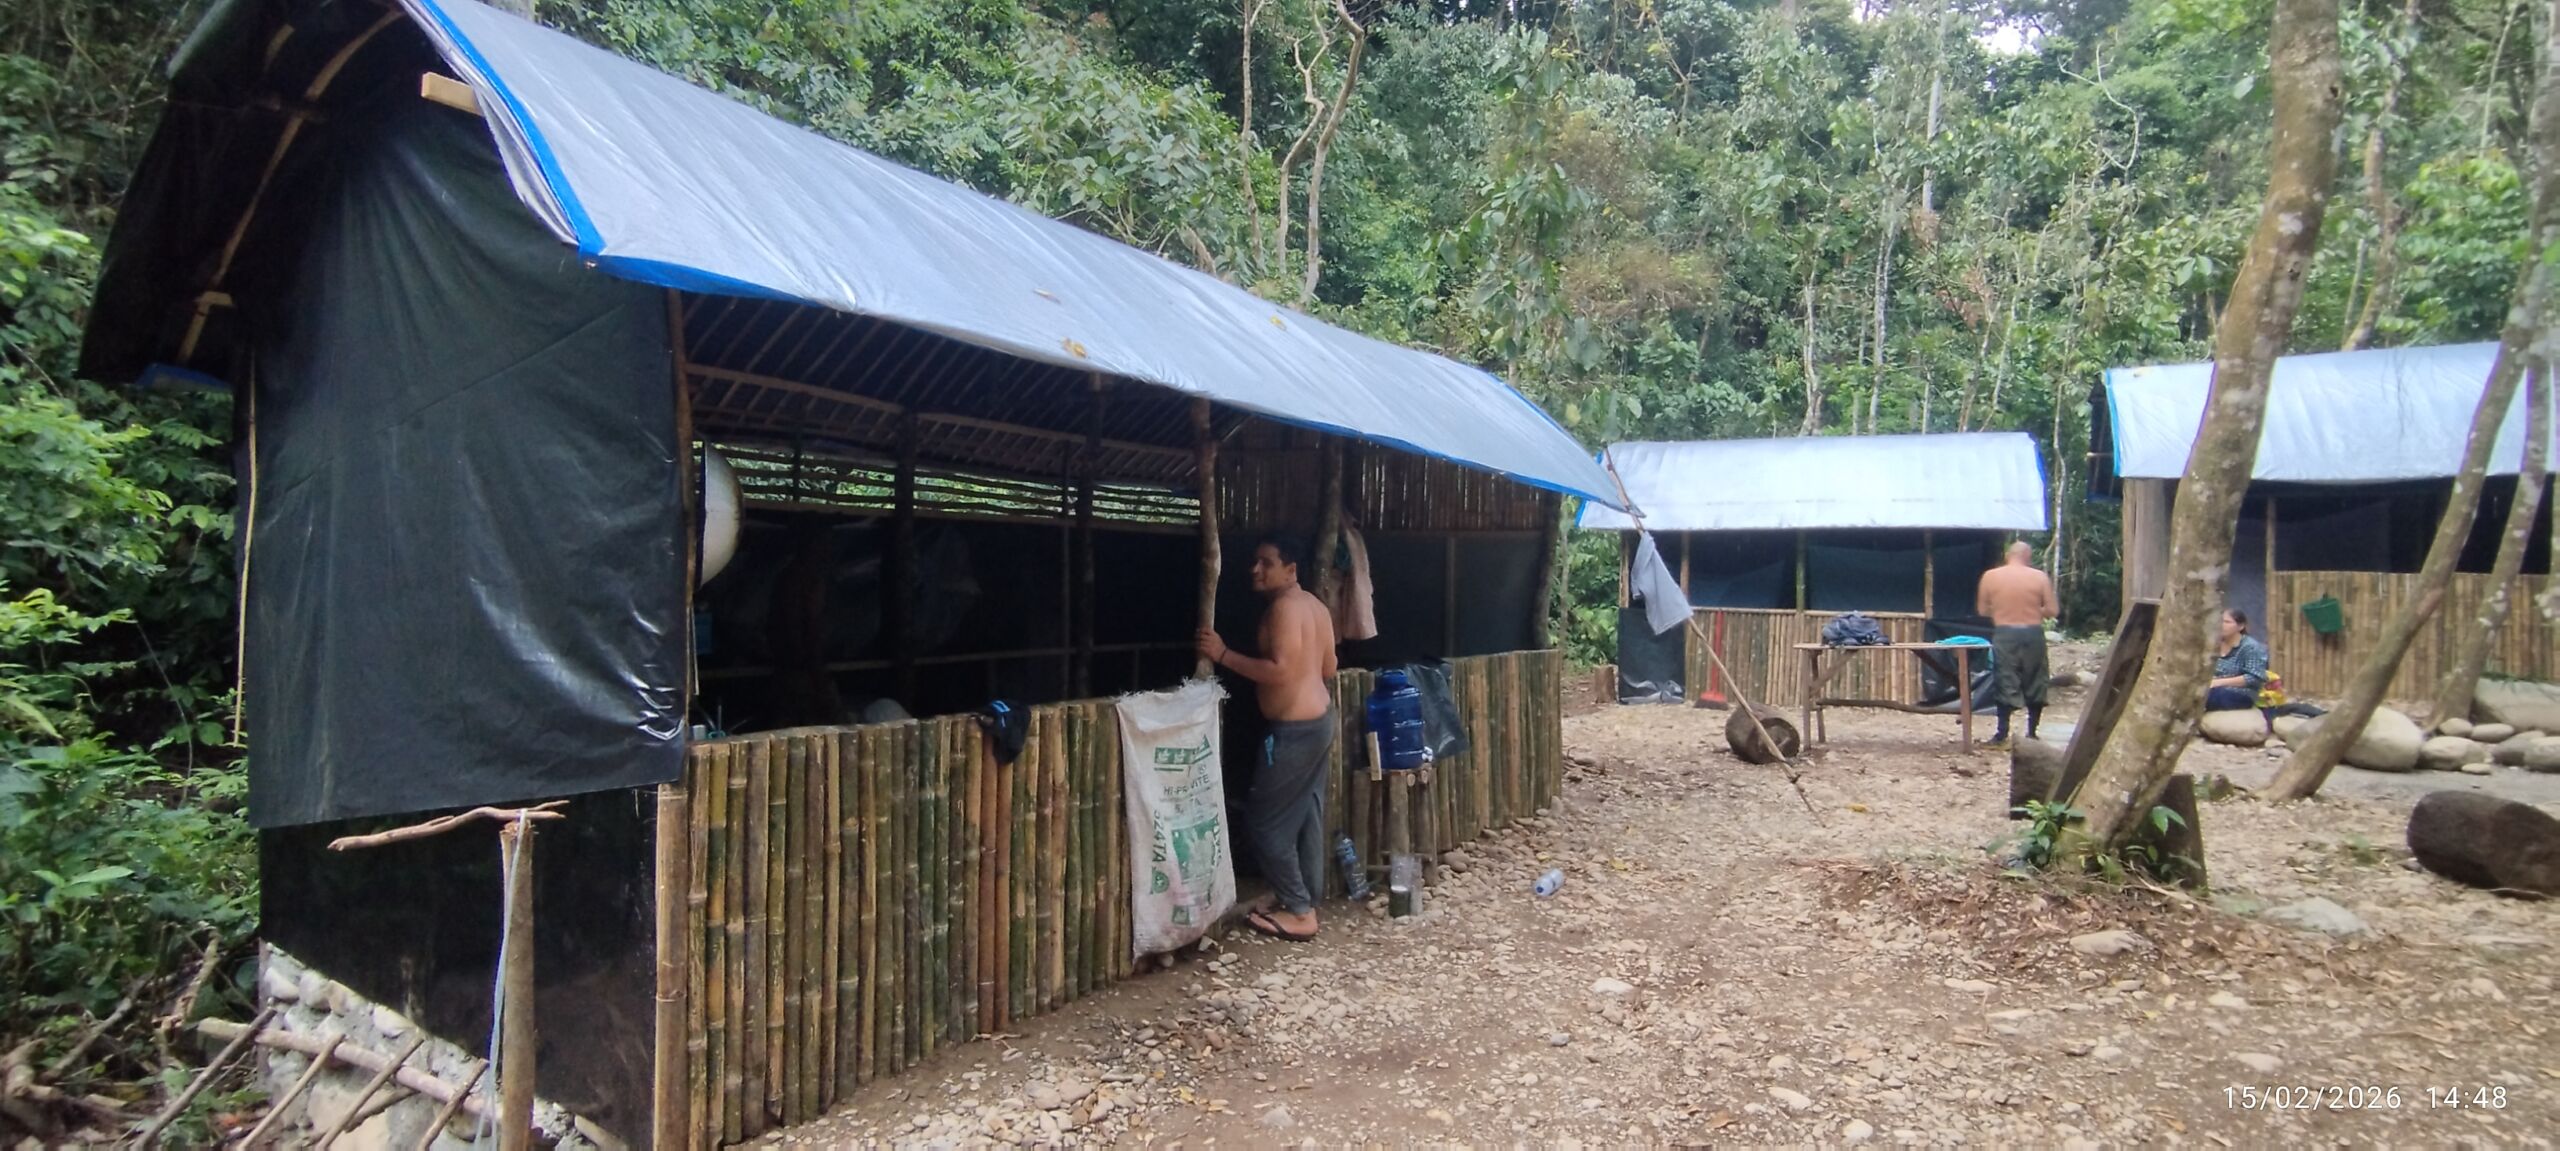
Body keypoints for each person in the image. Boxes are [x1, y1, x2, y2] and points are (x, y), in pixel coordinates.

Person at [1196, 537, 1339, 943]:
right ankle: (1301, 894)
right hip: (1320, 720)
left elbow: (1280, 671)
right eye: (1254, 562)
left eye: (1266, 563)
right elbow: (1328, 665)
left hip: (1294, 731)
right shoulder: (1315, 607)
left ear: (1291, 569)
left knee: (1265, 823)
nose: (1255, 570)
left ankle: (1299, 911)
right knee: (1307, 814)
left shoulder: (1283, 609)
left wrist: (1222, 655)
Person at [1975, 541, 2059, 746]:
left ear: (2007, 555)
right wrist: (2032, 610)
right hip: (2032, 632)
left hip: (2005, 632)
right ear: (2028, 556)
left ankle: (2002, 733)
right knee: (2036, 678)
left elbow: (1983, 611)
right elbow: (2052, 610)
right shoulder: (2039, 577)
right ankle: (2032, 732)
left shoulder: (1990, 577)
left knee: (2005, 677)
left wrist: (2004, 610)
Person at [2207, 610, 2269, 711]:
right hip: (2212, 688)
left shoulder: (2250, 647)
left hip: (2240, 693)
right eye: (2220, 621)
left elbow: (2254, 677)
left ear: (2241, 626)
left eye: (2227, 622)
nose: (2222, 625)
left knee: (2211, 696)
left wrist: (2217, 682)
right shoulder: (2213, 644)